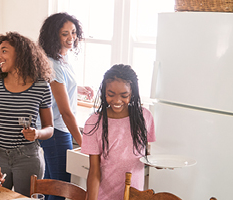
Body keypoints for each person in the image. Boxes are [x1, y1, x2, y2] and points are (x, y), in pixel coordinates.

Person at [0, 31, 55, 197]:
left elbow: (49, 128)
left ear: (20, 54)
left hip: (28, 158)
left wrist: (37, 134)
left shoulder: (41, 86)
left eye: (4, 51)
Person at [37, 13, 94, 200]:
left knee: (51, 183)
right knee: (61, 187)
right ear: (55, 35)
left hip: (54, 129)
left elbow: (58, 88)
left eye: (74, 32)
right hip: (57, 131)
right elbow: (65, 112)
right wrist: (82, 142)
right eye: (65, 34)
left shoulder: (62, 58)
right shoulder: (54, 64)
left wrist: (78, 89)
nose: (71, 38)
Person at [81, 64, 156, 200]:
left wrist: (157, 162)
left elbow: (142, 152)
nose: (117, 100)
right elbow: (94, 171)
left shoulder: (145, 117)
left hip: (135, 196)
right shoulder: (94, 123)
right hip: (105, 197)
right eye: (111, 94)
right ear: (104, 92)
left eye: (124, 95)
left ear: (132, 93)